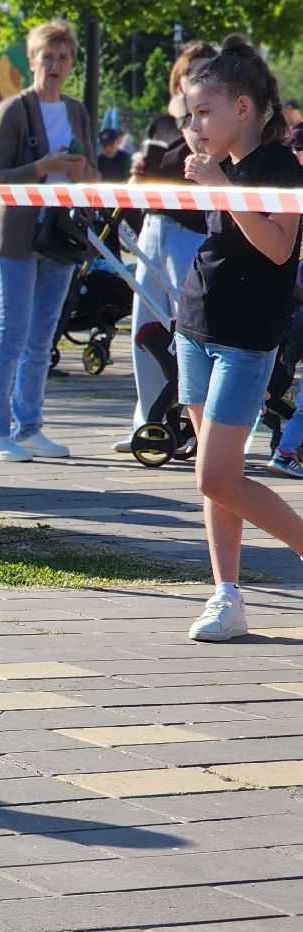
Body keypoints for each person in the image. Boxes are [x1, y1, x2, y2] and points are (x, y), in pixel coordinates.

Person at [169, 39, 303, 641]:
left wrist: (222, 186)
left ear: (243, 108)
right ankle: (226, 594)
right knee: (212, 471)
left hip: (248, 338)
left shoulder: (277, 167)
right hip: (196, 324)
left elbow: (277, 249)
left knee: (214, 476)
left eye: (203, 112)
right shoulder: (219, 167)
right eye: (189, 114)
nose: (193, 125)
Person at [0, 21, 92, 462]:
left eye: (63, 58)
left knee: (42, 339)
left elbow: (94, 174)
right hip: (16, 240)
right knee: (10, 335)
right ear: (33, 60)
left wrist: (82, 172)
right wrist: (42, 166)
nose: (56, 66)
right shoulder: (13, 109)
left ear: (72, 63)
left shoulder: (77, 111)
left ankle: (29, 427)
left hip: (61, 237)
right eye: (48, 57)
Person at [118, 40, 219, 454]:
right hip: (153, 226)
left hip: (191, 231)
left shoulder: (210, 124)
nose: (192, 80)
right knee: (145, 328)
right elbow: (145, 177)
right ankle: (149, 423)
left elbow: (206, 163)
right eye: (187, 73)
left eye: (203, 72)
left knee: (190, 331)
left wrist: (190, 123)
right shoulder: (161, 122)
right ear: (177, 79)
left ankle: (199, 428)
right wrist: (137, 175)